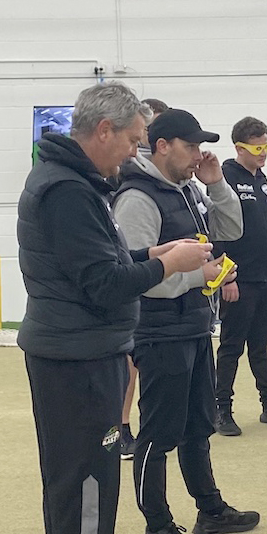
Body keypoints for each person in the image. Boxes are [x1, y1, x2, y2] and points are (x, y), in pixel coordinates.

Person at [17, 82, 213, 534]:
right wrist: (167, 264)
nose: (134, 153)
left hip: (79, 352)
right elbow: (102, 285)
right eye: (131, 141)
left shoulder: (72, 183)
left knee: (75, 485)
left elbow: (98, 264)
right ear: (103, 131)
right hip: (77, 359)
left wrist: (157, 250)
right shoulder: (67, 191)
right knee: (86, 491)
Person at [114, 108, 260, 534]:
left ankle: (209, 510)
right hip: (159, 332)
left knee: (199, 425)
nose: (199, 153)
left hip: (193, 326)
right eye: (192, 146)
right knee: (159, 434)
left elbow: (231, 230)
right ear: (162, 145)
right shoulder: (138, 198)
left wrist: (217, 183)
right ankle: (156, 527)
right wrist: (201, 277)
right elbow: (142, 275)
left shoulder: (187, 189)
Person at [214, 116, 267, 435]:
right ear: (240, 147)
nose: (264, 151)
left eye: (266, 145)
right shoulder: (225, 178)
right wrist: (227, 277)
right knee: (231, 346)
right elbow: (218, 233)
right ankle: (221, 409)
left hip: (264, 278)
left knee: (261, 345)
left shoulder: (262, 179)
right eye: (257, 146)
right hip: (239, 278)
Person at [119, 97, 169, 460]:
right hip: (131, 284)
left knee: (136, 365)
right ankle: (120, 425)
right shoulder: (129, 177)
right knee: (127, 363)